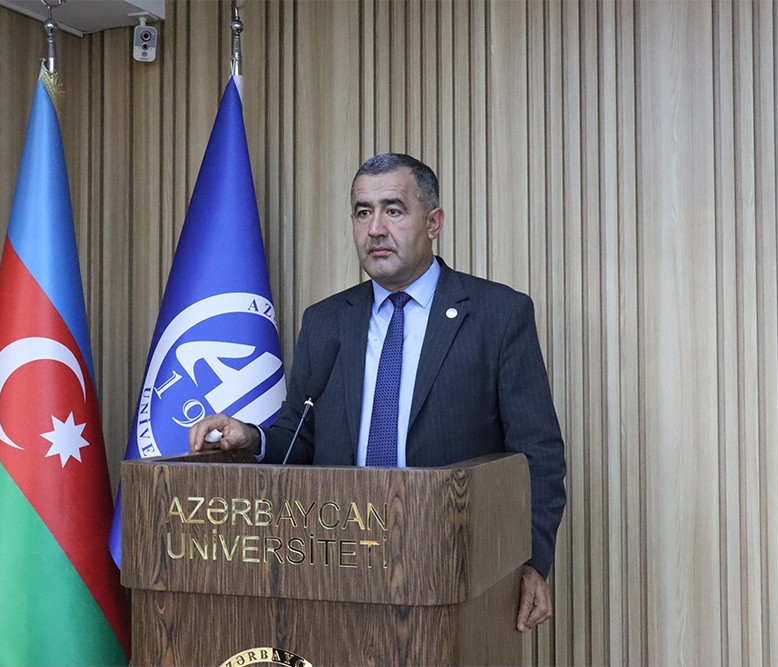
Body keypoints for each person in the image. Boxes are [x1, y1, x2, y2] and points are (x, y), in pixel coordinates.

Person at [189, 153, 566, 632]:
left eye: (394, 210)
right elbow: (300, 436)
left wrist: (531, 562)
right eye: (363, 212)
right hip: (334, 563)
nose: (375, 229)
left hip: (453, 567)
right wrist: (252, 437)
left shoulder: (498, 314)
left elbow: (537, 454)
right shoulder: (326, 321)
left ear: (433, 223)